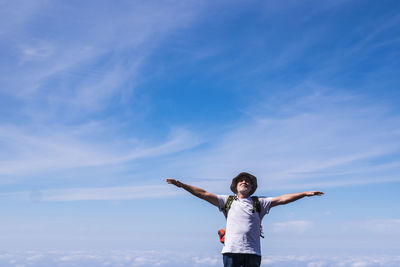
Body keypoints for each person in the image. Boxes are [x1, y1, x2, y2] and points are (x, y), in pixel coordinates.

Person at [166, 172, 324, 267]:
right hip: (231, 251)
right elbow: (203, 193)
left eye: (247, 181)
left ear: (252, 187)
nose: (244, 181)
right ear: (235, 186)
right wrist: (182, 185)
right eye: (241, 180)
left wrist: (304, 193)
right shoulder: (226, 201)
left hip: (253, 253)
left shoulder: (259, 202)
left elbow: (282, 199)